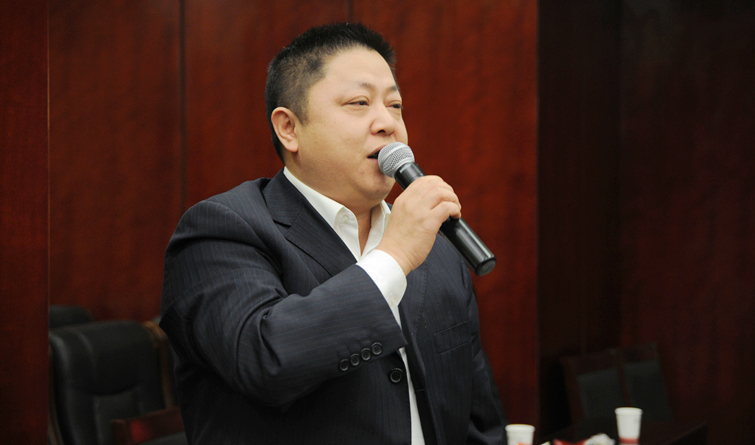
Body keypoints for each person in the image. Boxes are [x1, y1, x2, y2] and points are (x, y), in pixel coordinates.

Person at [160, 22, 508, 444]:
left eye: (395, 105)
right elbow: (265, 360)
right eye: (359, 103)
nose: (388, 123)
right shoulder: (222, 230)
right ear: (289, 128)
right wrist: (394, 256)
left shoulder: (436, 249)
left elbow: (477, 420)